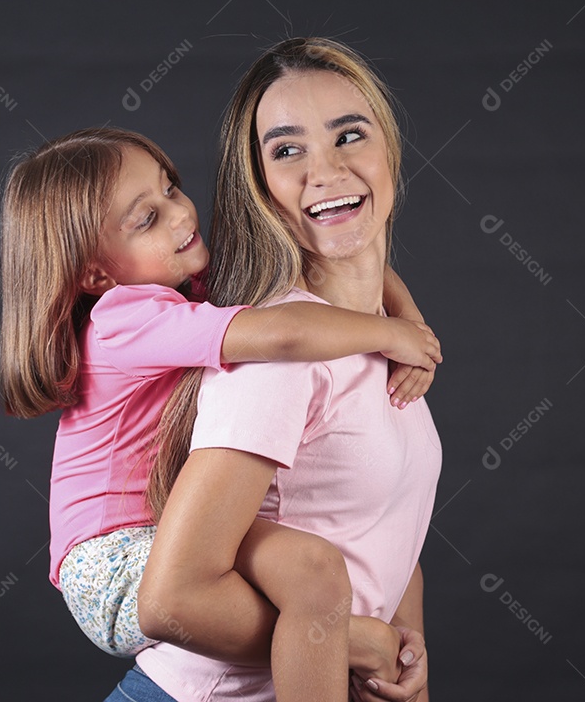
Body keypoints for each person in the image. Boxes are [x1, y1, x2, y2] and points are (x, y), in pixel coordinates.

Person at [0, 127, 441, 699]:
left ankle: (353, 641)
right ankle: (356, 641)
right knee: (310, 571)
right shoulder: (122, 318)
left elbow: (356, 265)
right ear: (96, 275)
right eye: (147, 218)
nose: (181, 213)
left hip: (154, 534)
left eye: (171, 188)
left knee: (309, 574)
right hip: (112, 558)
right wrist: (390, 335)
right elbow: (281, 334)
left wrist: (409, 318)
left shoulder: (186, 286)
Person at [131, 38, 443, 702]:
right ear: (262, 189)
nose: (324, 171)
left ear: (389, 151)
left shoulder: (384, 341)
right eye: (287, 151)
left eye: (349, 136)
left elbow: (386, 534)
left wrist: (404, 657)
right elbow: (170, 600)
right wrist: (356, 641)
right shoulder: (281, 358)